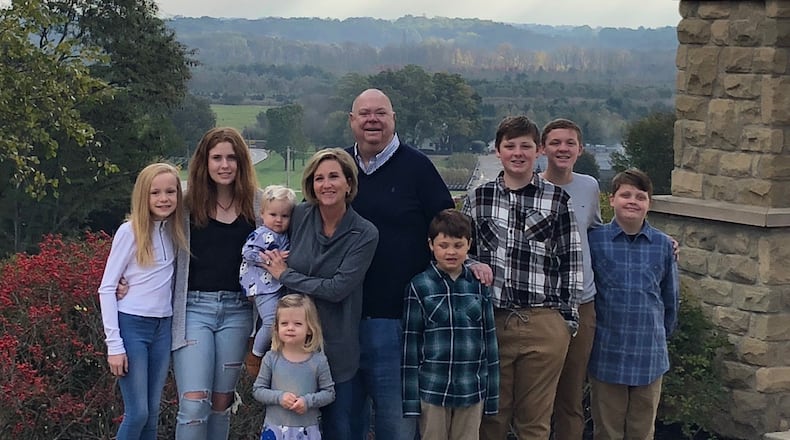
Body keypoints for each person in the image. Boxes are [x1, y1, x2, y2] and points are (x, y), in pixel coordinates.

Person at [344, 88, 459, 440]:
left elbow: (449, 228)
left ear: (394, 119)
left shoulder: (418, 168)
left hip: (397, 324)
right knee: (343, 426)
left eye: (380, 113)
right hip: (340, 321)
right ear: (352, 121)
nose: (372, 120)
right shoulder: (337, 169)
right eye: (364, 113)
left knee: (397, 428)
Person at [462, 115, 583, 440]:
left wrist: (565, 324)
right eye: (510, 146)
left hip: (543, 321)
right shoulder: (477, 198)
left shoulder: (557, 200)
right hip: (492, 321)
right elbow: (459, 251)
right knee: (491, 420)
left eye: (525, 146)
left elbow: (571, 262)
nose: (518, 152)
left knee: (535, 423)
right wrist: (473, 265)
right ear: (497, 151)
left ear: (538, 151)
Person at [263, 148, 378, 440]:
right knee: (290, 428)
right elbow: (265, 234)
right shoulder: (300, 215)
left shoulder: (364, 233)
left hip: (337, 349)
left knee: (340, 430)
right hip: (293, 347)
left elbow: (338, 289)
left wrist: (287, 276)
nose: (326, 184)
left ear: (349, 183)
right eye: (319, 178)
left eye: (334, 177)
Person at [171, 127, 262, 439]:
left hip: (238, 313)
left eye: (231, 158)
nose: (225, 165)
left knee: (221, 404)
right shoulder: (184, 206)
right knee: (195, 404)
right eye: (217, 158)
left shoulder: (258, 206)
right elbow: (145, 235)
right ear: (204, 162)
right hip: (194, 310)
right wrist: (125, 280)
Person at [98, 162, 188, 440]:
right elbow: (107, 288)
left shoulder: (176, 231)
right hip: (132, 327)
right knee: (137, 412)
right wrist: (114, 345)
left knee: (151, 413)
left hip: (163, 327)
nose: (164, 199)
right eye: (155, 193)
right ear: (143, 196)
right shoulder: (130, 232)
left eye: (170, 192)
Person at [587, 168, 679, 440]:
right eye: (625, 194)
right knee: (607, 430)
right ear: (612, 199)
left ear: (649, 203)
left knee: (642, 431)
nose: (632, 201)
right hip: (606, 353)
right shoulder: (595, 240)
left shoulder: (663, 245)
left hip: (648, 354)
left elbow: (670, 299)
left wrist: (661, 335)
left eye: (641, 196)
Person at [402, 208, 499, 440]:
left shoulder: (479, 286)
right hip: (433, 390)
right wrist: (411, 402)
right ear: (431, 245)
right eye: (443, 245)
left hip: (471, 389)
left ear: (469, 245)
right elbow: (410, 348)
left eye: (458, 245)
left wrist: (492, 397)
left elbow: (490, 344)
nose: (451, 252)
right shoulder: (419, 287)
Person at [539, 119, 602, 440]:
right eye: (555, 143)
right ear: (543, 148)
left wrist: (660, 240)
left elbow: (600, 234)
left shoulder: (589, 187)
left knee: (571, 396)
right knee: (534, 399)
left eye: (569, 143)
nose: (562, 149)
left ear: (580, 149)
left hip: (582, 304)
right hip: (542, 307)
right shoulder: (530, 187)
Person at [252, 294, 335, 440]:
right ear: (276, 328)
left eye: (297, 324)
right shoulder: (271, 358)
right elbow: (258, 390)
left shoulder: (318, 361)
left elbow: (329, 393)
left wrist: (308, 402)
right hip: (275, 430)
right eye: (284, 323)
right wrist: (279, 397)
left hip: (307, 431)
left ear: (309, 328)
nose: (290, 328)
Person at [239, 184, 296, 377]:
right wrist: (269, 258)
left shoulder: (283, 235)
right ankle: (255, 355)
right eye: (273, 215)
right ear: (262, 214)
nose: (279, 220)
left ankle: (268, 348)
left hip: (275, 284)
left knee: (277, 319)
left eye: (285, 216)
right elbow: (247, 252)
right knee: (272, 321)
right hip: (261, 286)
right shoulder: (262, 234)